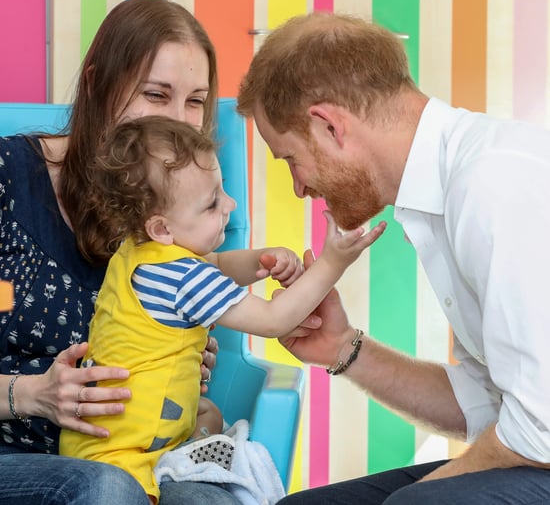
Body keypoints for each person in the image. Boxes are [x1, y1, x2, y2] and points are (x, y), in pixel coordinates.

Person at [236, 11, 550, 504]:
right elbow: (487, 405)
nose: (299, 188)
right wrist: (343, 348)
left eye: (291, 159)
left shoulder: (492, 183)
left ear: (329, 126)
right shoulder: (444, 194)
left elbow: (540, 427)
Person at [59, 114, 382, 503]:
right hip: (125, 456)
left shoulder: (139, 254)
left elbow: (217, 265)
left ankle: (189, 452)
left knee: (208, 412)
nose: (229, 204)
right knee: (210, 425)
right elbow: (272, 320)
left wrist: (261, 260)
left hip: (100, 438)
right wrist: (332, 264)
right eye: (212, 203)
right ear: (161, 228)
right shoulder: (182, 278)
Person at [0, 0, 236, 505]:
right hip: (16, 454)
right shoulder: (7, 179)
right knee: (106, 488)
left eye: (195, 101)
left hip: (145, 457)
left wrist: (186, 362)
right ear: (96, 86)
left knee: (213, 500)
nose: (178, 120)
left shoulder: (185, 210)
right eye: (157, 95)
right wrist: (30, 394)